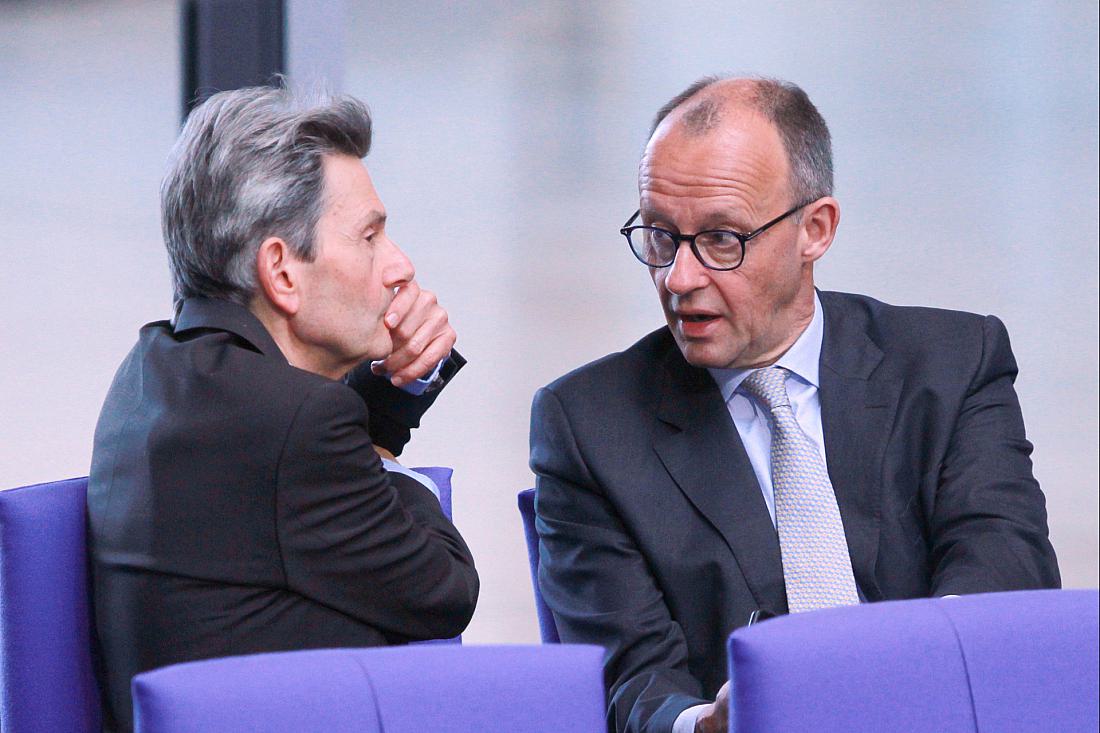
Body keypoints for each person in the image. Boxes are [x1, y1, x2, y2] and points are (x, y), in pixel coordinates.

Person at [529, 76, 1060, 733]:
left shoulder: (951, 364)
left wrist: (915, 681)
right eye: (660, 236)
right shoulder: (589, 425)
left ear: (816, 229)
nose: (678, 278)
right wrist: (707, 722)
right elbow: (631, 680)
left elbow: (1007, 573)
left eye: (722, 239)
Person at [88, 85, 478, 732]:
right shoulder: (298, 425)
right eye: (370, 236)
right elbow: (446, 591)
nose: (401, 266)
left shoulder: (152, 369)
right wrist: (380, 444)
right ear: (282, 271)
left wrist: (386, 397)